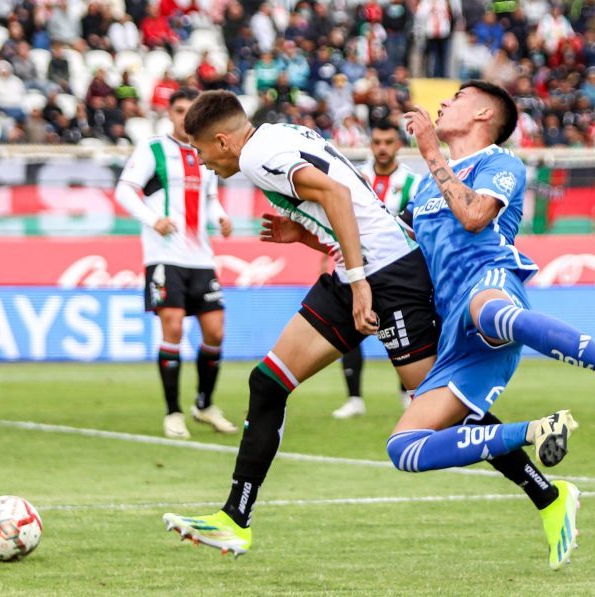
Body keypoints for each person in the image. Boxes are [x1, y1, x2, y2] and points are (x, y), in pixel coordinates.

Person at [387, 80, 595, 570]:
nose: (444, 103)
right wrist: (306, 237)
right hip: (453, 331)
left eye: (456, 98)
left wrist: (431, 151)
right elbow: (398, 252)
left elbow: (475, 217)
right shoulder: (426, 186)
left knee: (492, 312)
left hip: (490, 281)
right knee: (403, 448)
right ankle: (538, 430)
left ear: (482, 115)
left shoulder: (500, 163)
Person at [162, 90, 441, 556]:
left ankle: (547, 491)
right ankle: (235, 519)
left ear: (224, 141)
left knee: (438, 406)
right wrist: (307, 235)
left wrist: (358, 283)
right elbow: (344, 192)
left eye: (201, 150)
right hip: (367, 267)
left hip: (388, 274)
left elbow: (334, 193)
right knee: (268, 383)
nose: (202, 162)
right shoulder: (278, 133)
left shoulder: (255, 159)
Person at [114, 88, 237, 440]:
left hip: (201, 256)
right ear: (169, 113)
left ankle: (204, 403)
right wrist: (154, 219)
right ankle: (173, 412)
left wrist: (222, 217)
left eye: (191, 111)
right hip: (164, 254)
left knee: (215, 332)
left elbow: (210, 198)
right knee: (172, 327)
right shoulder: (153, 149)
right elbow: (125, 190)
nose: (185, 117)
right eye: (180, 110)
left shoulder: (206, 152)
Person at [332, 120, 423, 420]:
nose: (382, 148)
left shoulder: (413, 181)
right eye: (377, 142)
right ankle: (354, 398)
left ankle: (407, 394)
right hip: (357, 268)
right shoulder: (354, 176)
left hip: (398, 270)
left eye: (388, 142)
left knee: (405, 328)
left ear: (398, 145)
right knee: (350, 329)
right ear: (370, 145)